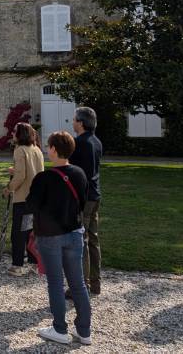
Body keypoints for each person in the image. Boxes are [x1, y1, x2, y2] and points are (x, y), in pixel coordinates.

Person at [27, 131, 92, 346]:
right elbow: (83, 201)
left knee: (55, 283)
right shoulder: (79, 174)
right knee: (78, 283)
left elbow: (32, 205)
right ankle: (84, 330)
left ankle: (59, 329)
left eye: (49, 146)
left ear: (54, 149)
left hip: (50, 235)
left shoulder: (44, 178)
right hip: (74, 233)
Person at [69, 106, 103, 295]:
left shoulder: (80, 143)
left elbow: (78, 173)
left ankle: (80, 286)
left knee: (79, 241)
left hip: (83, 198)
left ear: (81, 123)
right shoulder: (96, 141)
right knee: (93, 240)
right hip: (95, 195)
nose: (72, 122)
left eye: (74, 120)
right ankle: (95, 283)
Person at [3, 123, 44, 276]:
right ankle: (34, 263)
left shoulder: (19, 150)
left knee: (18, 233)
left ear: (20, 134)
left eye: (14, 131)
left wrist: (8, 188)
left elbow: (21, 176)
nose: (12, 133)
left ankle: (17, 265)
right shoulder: (37, 149)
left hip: (23, 198)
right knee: (31, 231)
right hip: (36, 197)